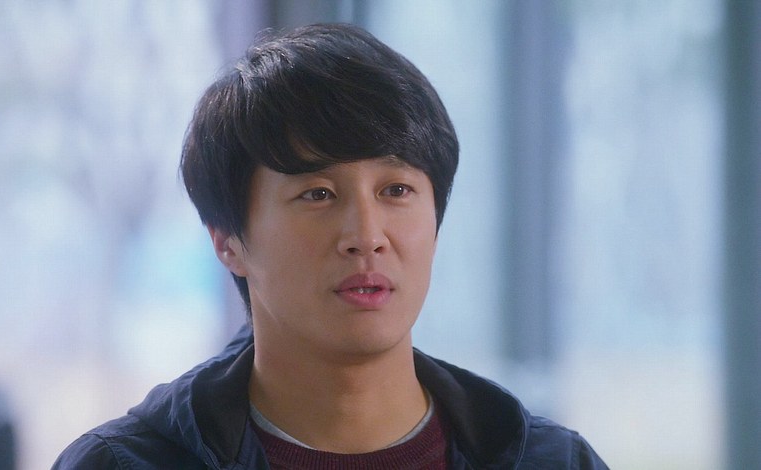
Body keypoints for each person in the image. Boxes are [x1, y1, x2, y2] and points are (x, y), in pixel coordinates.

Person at [54, 23, 608, 469]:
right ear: (227, 241)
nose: (367, 237)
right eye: (317, 194)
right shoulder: (120, 464)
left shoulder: (552, 461)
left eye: (396, 191)